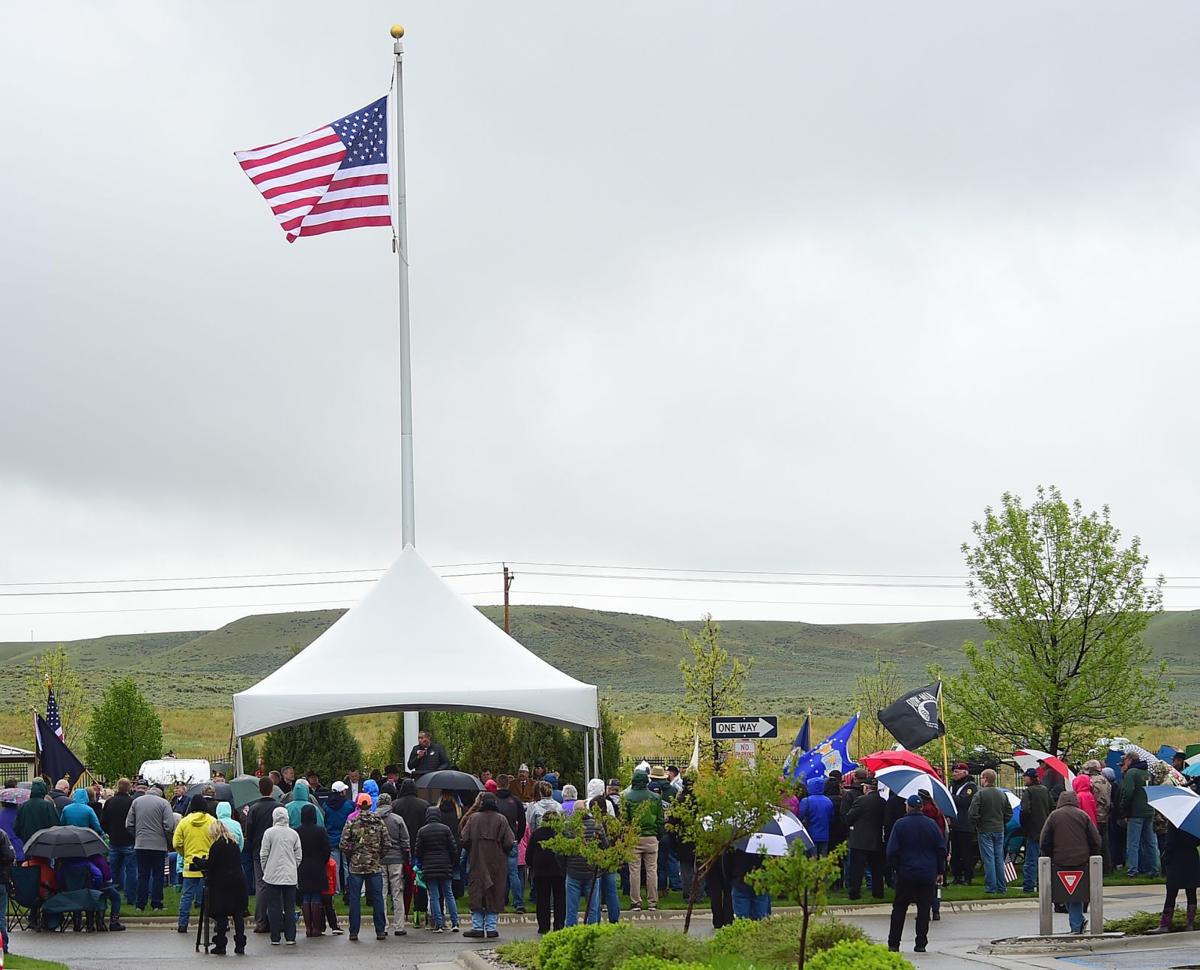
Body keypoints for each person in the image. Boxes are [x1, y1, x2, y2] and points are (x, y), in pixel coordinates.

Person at [886, 794, 946, 954]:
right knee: (924, 908)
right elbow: (941, 849)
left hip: (906, 872)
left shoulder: (900, 824)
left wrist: (895, 868)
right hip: (927, 873)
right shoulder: (931, 825)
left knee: (899, 908)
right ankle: (921, 943)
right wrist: (940, 871)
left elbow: (892, 851)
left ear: (908, 807)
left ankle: (894, 943)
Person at [1039, 790, 1101, 934]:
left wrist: (1046, 856)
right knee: (1076, 892)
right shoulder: (1083, 815)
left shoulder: (1053, 816)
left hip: (1060, 860)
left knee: (1066, 891)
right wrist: (1094, 855)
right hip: (1081, 860)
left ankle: (1077, 924)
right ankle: (1077, 922)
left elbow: (1045, 839)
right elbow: (1095, 838)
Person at [461, 791, 514, 940]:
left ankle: (477, 927)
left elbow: (464, 839)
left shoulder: (473, 819)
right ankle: (491, 927)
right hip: (497, 861)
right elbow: (509, 841)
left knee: (477, 890)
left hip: (477, 859)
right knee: (495, 891)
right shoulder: (501, 820)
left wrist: (473, 849)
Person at [340, 793, 392, 942]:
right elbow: (387, 843)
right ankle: (380, 930)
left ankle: (354, 932)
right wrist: (377, 855)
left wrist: (353, 854)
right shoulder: (378, 821)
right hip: (374, 865)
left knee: (355, 900)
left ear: (358, 804)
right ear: (370, 805)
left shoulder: (352, 821)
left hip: (356, 866)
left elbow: (343, 844)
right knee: (378, 899)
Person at [124, 784, 173, 911]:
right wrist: (168, 840)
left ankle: (140, 904)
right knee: (158, 875)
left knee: (142, 875)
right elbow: (169, 825)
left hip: (141, 844)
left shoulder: (136, 802)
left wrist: (137, 835)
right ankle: (157, 903)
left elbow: (129, 824)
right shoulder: (164, 803)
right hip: (159, 845)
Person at [623, 768, 665, 912]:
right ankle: (652, 901)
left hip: (634, 836)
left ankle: (636, 902)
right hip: (651, 836)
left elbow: (624, 819)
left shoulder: (626, 797)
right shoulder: (655, 798)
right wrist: (659, 835)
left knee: (634, 870)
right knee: (652, 870)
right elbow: (660, 820)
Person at [242, 776, 280, 933]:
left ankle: (261, 921)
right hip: (276, 850)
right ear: (272, 789)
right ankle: (276, 920)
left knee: (261, 885)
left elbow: (248, 832)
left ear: (259, 790)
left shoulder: (254, 809)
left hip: (259, 850)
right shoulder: (279, 807)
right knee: (277, 884)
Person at [259, 806, 302, 945]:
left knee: (273, 906)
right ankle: (290, 937)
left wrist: (266, 869)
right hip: (290, 875)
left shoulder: (269, 833)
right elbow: (298, 855)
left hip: (272, 875)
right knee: (289, 907)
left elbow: (263, 854)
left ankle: (275, 936)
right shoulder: (293, 834)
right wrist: (293, 866)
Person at [205, 820, 249, 955]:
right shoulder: (234, 844)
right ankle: (240, 944)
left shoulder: (216, 846)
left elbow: (211, 865)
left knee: (222, 915)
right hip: (238, 882)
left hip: (223, 884)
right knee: (238, 915)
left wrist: (199, 861)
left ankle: (221, 944)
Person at [1148, 820, 1199, 934]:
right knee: (1191, 892)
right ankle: (1190, 923)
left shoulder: (1174, 821)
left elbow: (1170, 842)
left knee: (1171, 892)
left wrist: (1166, 857)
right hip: (1191, 857)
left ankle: (1165, 924)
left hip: (1176, 858)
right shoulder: (1194, 822)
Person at [415, 805, 460, 932]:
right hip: (445, 864)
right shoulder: (446, 829)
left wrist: (422, 862)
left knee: (434, 895)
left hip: (429, 866)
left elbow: (418, 851)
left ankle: (439, 924)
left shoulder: (422, 831)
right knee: (448, 894)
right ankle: (455, 922)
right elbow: (453, 848)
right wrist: (450, 862)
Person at [969, 768, 1012, 895]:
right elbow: (1008, 812)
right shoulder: (1002, 794)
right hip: (999, 829)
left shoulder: (980, 794)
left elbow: (972, 813)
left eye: (982, 778)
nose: (981, 780)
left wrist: (977, 824)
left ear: (985, 779)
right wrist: (1002, 821)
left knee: (988, 858)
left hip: (985, 829)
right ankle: (1001, 886)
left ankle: (991, 887)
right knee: (999, 858)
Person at [846, 776, 887, 900]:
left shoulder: (861, 801)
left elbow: (849, 818)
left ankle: (854, 893)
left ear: (866, 788)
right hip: (877, 839)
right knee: (877, 870)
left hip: (860, 840)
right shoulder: (883, 802)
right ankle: (878, 892)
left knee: (857, 870)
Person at [526, 804, 566, 932]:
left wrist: (531, 865)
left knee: (542, 899)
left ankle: (543, 926)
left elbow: (529, 853)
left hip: (540, 870)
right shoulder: (561, 833)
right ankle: (559, 925)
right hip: (558, 870)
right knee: (559, 898)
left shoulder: (537, 833)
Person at [375, 793, 410, 937]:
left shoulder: (374, 819)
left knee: (381, 893)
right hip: (396, 859)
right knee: (397, 892)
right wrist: (407, 858)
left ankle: (382, 925)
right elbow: (405, 841)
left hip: (379, 859)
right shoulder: (398, 819)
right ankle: (399, 926)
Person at [1121, 754, 1159, 877]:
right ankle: (1154, 868)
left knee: (1133, 843)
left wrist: (1123, 807)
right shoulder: (1147, 772)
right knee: (1150, 842)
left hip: (1135, 812)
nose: (1124, 762)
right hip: (1148, 810)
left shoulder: (1131, 773)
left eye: (1125, 760)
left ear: (1130, 760)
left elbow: (1127, 792)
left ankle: (1133, 869)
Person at [99, 778, 136, 907]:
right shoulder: (132, 803)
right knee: (131, 870)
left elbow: (103, 822)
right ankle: (131, 898)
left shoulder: (109, 802)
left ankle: (113, 896)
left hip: (114, 840)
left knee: (113, 871)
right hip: (129, 840)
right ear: (129, 788)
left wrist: (110, 832)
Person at [297, 803, 331, 938]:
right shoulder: (320, 831)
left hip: (303, 865)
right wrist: (322, 862)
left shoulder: (297, 831)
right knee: (316, 896)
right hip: (318, 865)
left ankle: (308, 928)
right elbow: (327, 849)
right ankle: (316, 928)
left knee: (305, 896)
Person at [494, 775, 527, 913]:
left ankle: (499, 900)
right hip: (511, 839)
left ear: (497, 784)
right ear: (508, 784)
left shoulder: (493, 800)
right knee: (513, 873)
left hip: (495, 840)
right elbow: (523, 822)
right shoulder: (515, 801)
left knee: (497, 873)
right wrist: (517, 838)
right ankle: (518, 902)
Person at [1020, 768, 1053, 894]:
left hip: (1032, 830)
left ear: (1030, 778)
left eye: (1025, 777)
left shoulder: (1029, 792)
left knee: (1031, 861)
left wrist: (1024, 826)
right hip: (1045, 829)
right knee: (1044, 860)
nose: (1023, 779)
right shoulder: (1045, 790)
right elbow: (1052, 807)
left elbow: (1025, 811)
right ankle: (1043, 884)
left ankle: (1029, 886)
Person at [948, 763, 979, 885]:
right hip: (954, 824)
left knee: (966, 853)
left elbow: (964, 801)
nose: (954, 774)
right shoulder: (952, 786)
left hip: (965, 824)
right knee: (955, 853)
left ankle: (967, 877)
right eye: (954, 772)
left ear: (965, 772)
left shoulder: (970, 786)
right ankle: (957, 876)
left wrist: (950, 796)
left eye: (957, 771)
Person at [323, 780, 353, 889]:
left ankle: (335, 888)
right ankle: (348, 887)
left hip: (331, 838)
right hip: (346, 838)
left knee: (334, 866)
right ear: (342, 792)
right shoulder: (349, 805)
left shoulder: (326, 805)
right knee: (347, 865)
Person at [798, 782, 835, 856]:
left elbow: (800, 817)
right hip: (825, 835)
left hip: (810, 835)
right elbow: (831, 818)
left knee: (812, 860)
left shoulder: (806, 801)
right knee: (823, 859)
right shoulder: (828, 801)